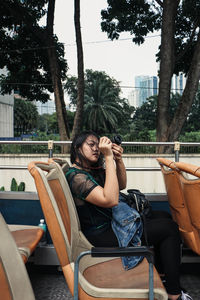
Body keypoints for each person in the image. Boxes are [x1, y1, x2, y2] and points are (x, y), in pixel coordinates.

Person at [65, 130, 193, 300]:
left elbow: (121, 185)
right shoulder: (77, 177)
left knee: (164, 216)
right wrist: (109, 158)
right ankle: (174, 294)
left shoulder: (90, 170)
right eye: (91, 144)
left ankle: (164, 276)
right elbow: (110, 200)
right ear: (77, 147)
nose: (96, 149)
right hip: (100, 235)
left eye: (98, 144)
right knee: (169, 229)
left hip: (110, 225)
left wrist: (118, 160)